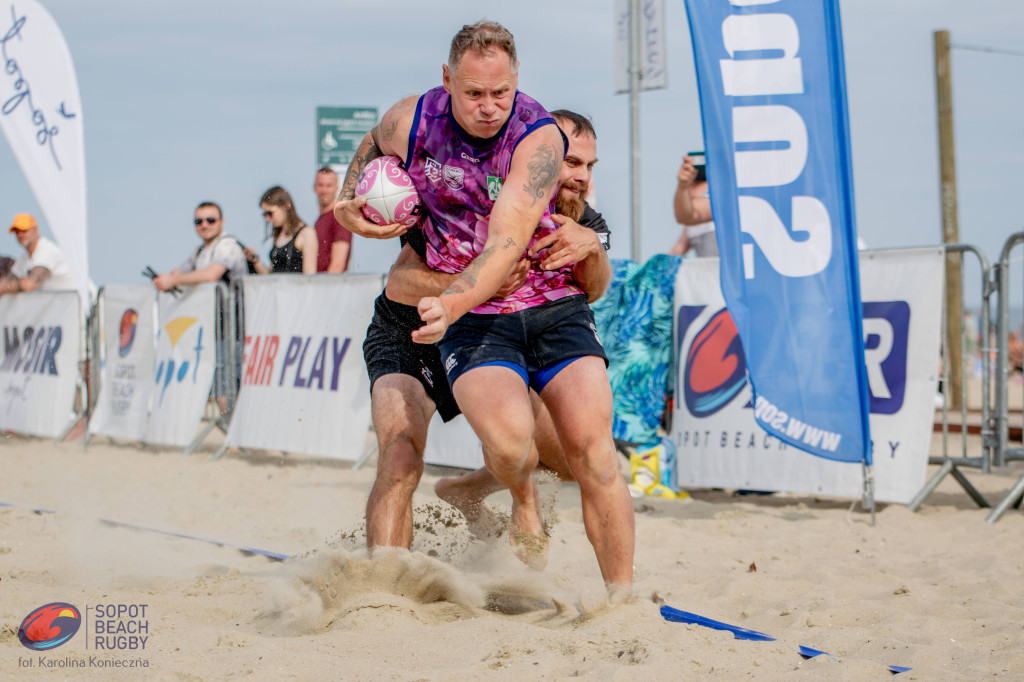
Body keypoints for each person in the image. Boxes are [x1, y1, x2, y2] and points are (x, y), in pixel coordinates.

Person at [335, 21, 633, 599]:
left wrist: (593, 249)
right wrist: (350, 203)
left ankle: (620, 597)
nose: (490, 108)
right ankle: (384, 591)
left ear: (519, 85)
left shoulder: (561, 184)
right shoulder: (415, 125)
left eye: (501, 94)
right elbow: (401, 275)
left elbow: (558, 270)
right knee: (402, 455)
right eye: (474, 94)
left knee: (582, 456)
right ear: (447, 82)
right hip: (424, 317)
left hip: (501, 309)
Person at [152, 202, 248, 292]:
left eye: (211, 220)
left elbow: (211, 275)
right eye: (199, 221)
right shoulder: (199, 251)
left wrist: (173, 280)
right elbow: (181, 271)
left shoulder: (228, 244)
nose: (204, 225)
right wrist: (163, 279)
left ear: (222, 222)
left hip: (234, 308)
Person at [0, 213, 76, 296]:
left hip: (80, 302)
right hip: (62, 302)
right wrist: (5, 287)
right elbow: (10, 279)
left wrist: (4, 288)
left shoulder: (46, 250)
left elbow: (30, 284)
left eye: (24, 230)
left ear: (36, 230)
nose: (20, 234)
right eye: (17, 232)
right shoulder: (25, 256)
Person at [248, 186, 317, 274]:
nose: (267, 219)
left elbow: (310, 277)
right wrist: (255, 261)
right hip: (277, 287)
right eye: (265, 214)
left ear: (286, 205)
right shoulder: (279, 234)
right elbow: (271, 276)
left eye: (270, 213)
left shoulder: (307, 234)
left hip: (296, 287)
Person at [669, 153, 717, 257]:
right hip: (706, 272)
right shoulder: (690, 227)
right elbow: (677, 250)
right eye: (691, 186)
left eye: (697, 185)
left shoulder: (721, 209)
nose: (692, 191)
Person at [313, 167, 353, 273]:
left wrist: (325, 287)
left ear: (336, 188)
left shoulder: (338, 218)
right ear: (314, 187)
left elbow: (338, 265)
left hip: (329, 285)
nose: (324, 190)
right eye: (320, 185)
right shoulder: (319, 221)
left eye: (329, 185)